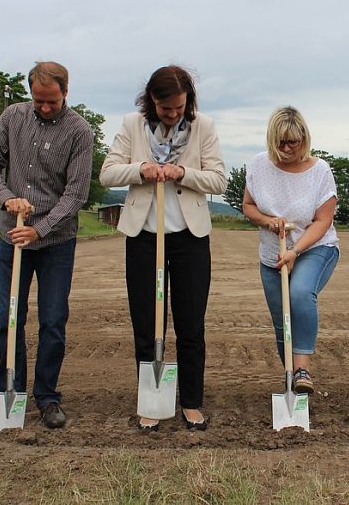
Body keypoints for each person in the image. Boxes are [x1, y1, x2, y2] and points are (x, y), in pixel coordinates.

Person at [99, 65, 226, 431]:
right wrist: (142, 168)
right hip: (143, 236)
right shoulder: (131, 125)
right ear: (151, 100)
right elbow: (108, 173)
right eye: (163, 108)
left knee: (190, 324)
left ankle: (191, 402)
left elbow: (219, 178)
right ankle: (150, 402)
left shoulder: (204, 127)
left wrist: (181, 173)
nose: (171, 115)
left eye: (177, 107)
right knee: (146, 322)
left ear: (188, 101)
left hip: (189, 237)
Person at [0, 61, 93, 429]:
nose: (44, 108)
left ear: (66, 93)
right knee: (8, 318)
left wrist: (39, 230)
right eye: (38, 101)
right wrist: (7, 198)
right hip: (11, 237)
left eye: (52, 102)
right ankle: (8, 394)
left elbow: (76, 195)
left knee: (53, 320)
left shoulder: (79, 132)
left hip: (56, 241)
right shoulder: (12, 117)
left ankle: (47, 398)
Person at [242, 106, 339, 395]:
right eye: (280, 142)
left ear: (304, 139)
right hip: (272, 253)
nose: (286, 149)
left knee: (298, 295)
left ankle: (302, 368)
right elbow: (248, 206)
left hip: (314, 248)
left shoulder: (320, 171)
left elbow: (323, 220)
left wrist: (296, 251)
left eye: (292, 142)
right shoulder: (259, 165)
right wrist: (267, 221)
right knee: (280, 316)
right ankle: (292, 378)